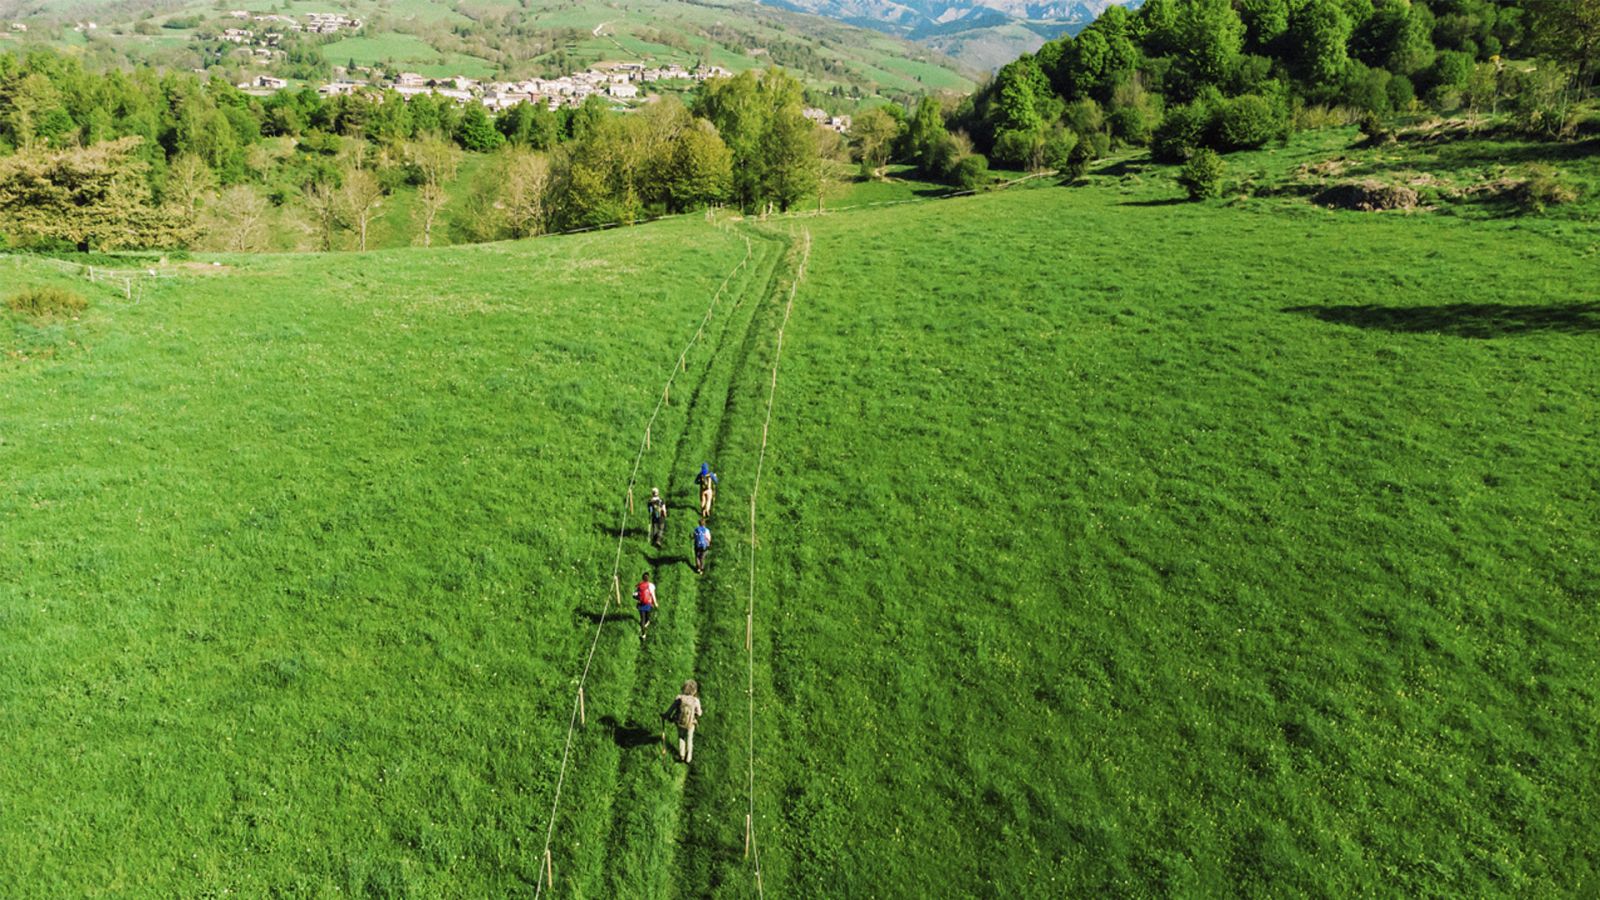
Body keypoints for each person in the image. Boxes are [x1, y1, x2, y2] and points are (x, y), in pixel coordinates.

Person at [663, 679, 703, 764]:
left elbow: (671, 709)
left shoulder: (679, 698)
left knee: (681, 737)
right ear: (694, 691)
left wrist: (666, 715)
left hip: (680, 722)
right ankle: (688, 757)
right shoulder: (695, 701)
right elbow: (699, 713)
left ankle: (681, 755)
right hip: (690, 724)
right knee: (689, 739)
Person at [633, 571, 657, 641]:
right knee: (647, 617)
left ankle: (643, 634)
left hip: (641, 605)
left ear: (642, 578)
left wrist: (638, 598)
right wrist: (655, 603)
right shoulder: (651, 586)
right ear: (648, 578)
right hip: (648, 604)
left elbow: (634, 595)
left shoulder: (639, 586)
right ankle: (647, 623)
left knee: (642, 619)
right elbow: (653, 595)